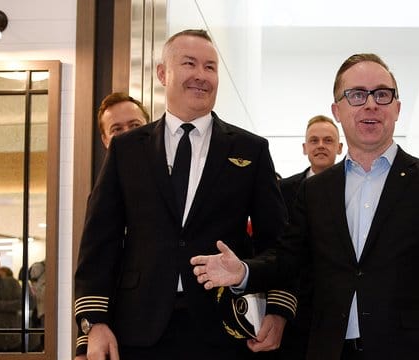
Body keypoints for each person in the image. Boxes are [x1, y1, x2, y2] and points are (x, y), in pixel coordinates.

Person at [191, 53, 419, 359]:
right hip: (330, 348)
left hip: (409, 349)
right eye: (357, 95)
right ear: (338, 110)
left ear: (397, 107)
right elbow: (287, 258)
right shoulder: (316, 191)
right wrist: (245, 272)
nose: (371, 104)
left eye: (382, 94)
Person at [74, 29, 294, 360]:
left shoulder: (251, 150)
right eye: (189, 63)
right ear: (163, 73)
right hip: (138, 330)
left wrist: (278, 310)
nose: (201, 76)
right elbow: (98, 243)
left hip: (225, 331)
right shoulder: (126, 149)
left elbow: (278, 242)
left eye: (210, 67)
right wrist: (93, 326)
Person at [276, 115, 342, 359]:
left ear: (339, 147)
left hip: (339, 303)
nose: (321, 145)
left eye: (328, 140)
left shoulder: (355, 189)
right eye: (314, 140)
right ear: (305, 148)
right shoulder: (284, 190)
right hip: (295, 304)